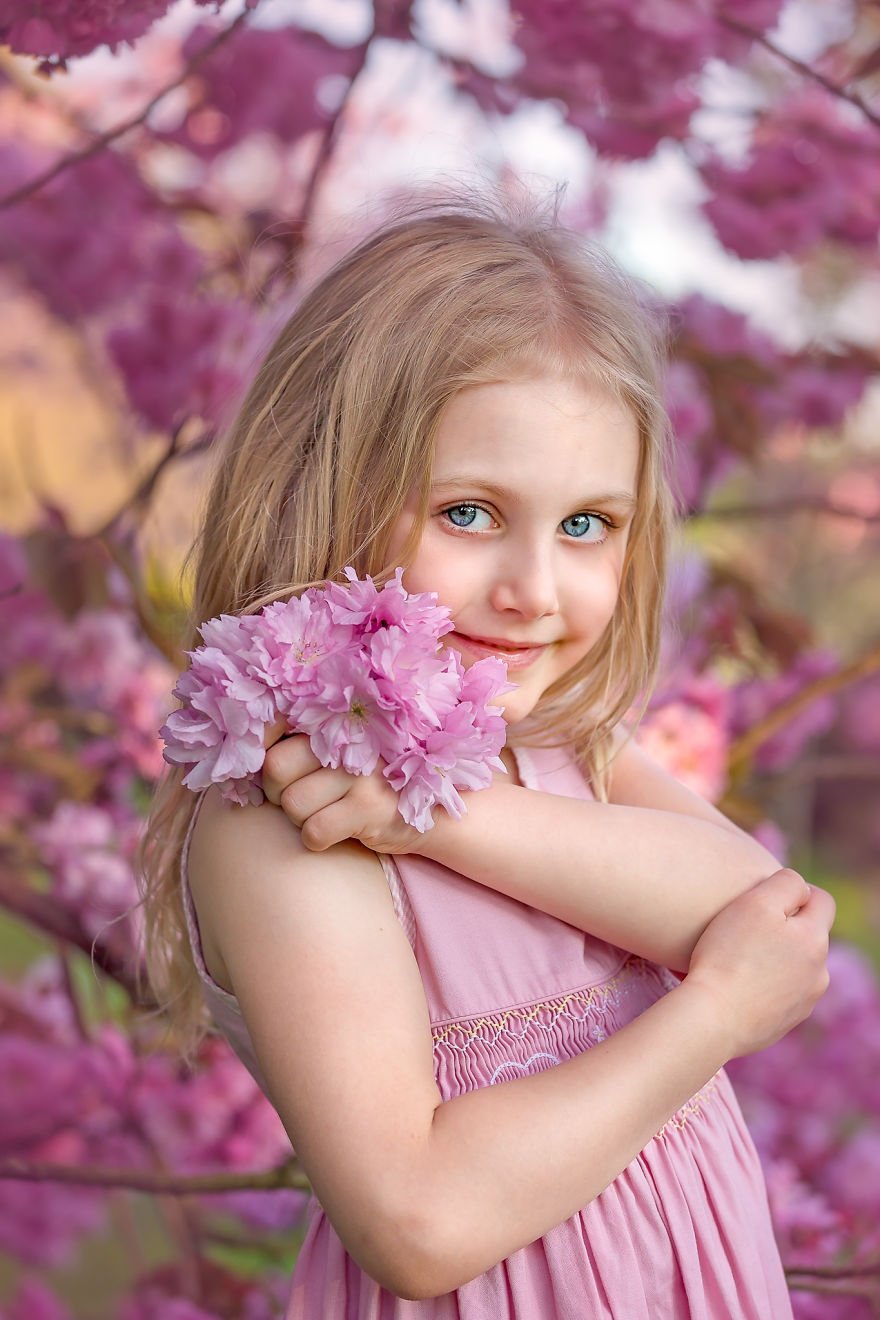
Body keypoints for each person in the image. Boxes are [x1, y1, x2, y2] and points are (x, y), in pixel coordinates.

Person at [139, 197, 834, 1318]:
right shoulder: (287, 817)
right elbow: (418, 1222)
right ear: (327, 485)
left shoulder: (561, 745)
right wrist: (710, 1020)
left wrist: (437, 811)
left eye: (584, 526)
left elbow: (769, 919)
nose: (532, 591)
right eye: (468, 513)